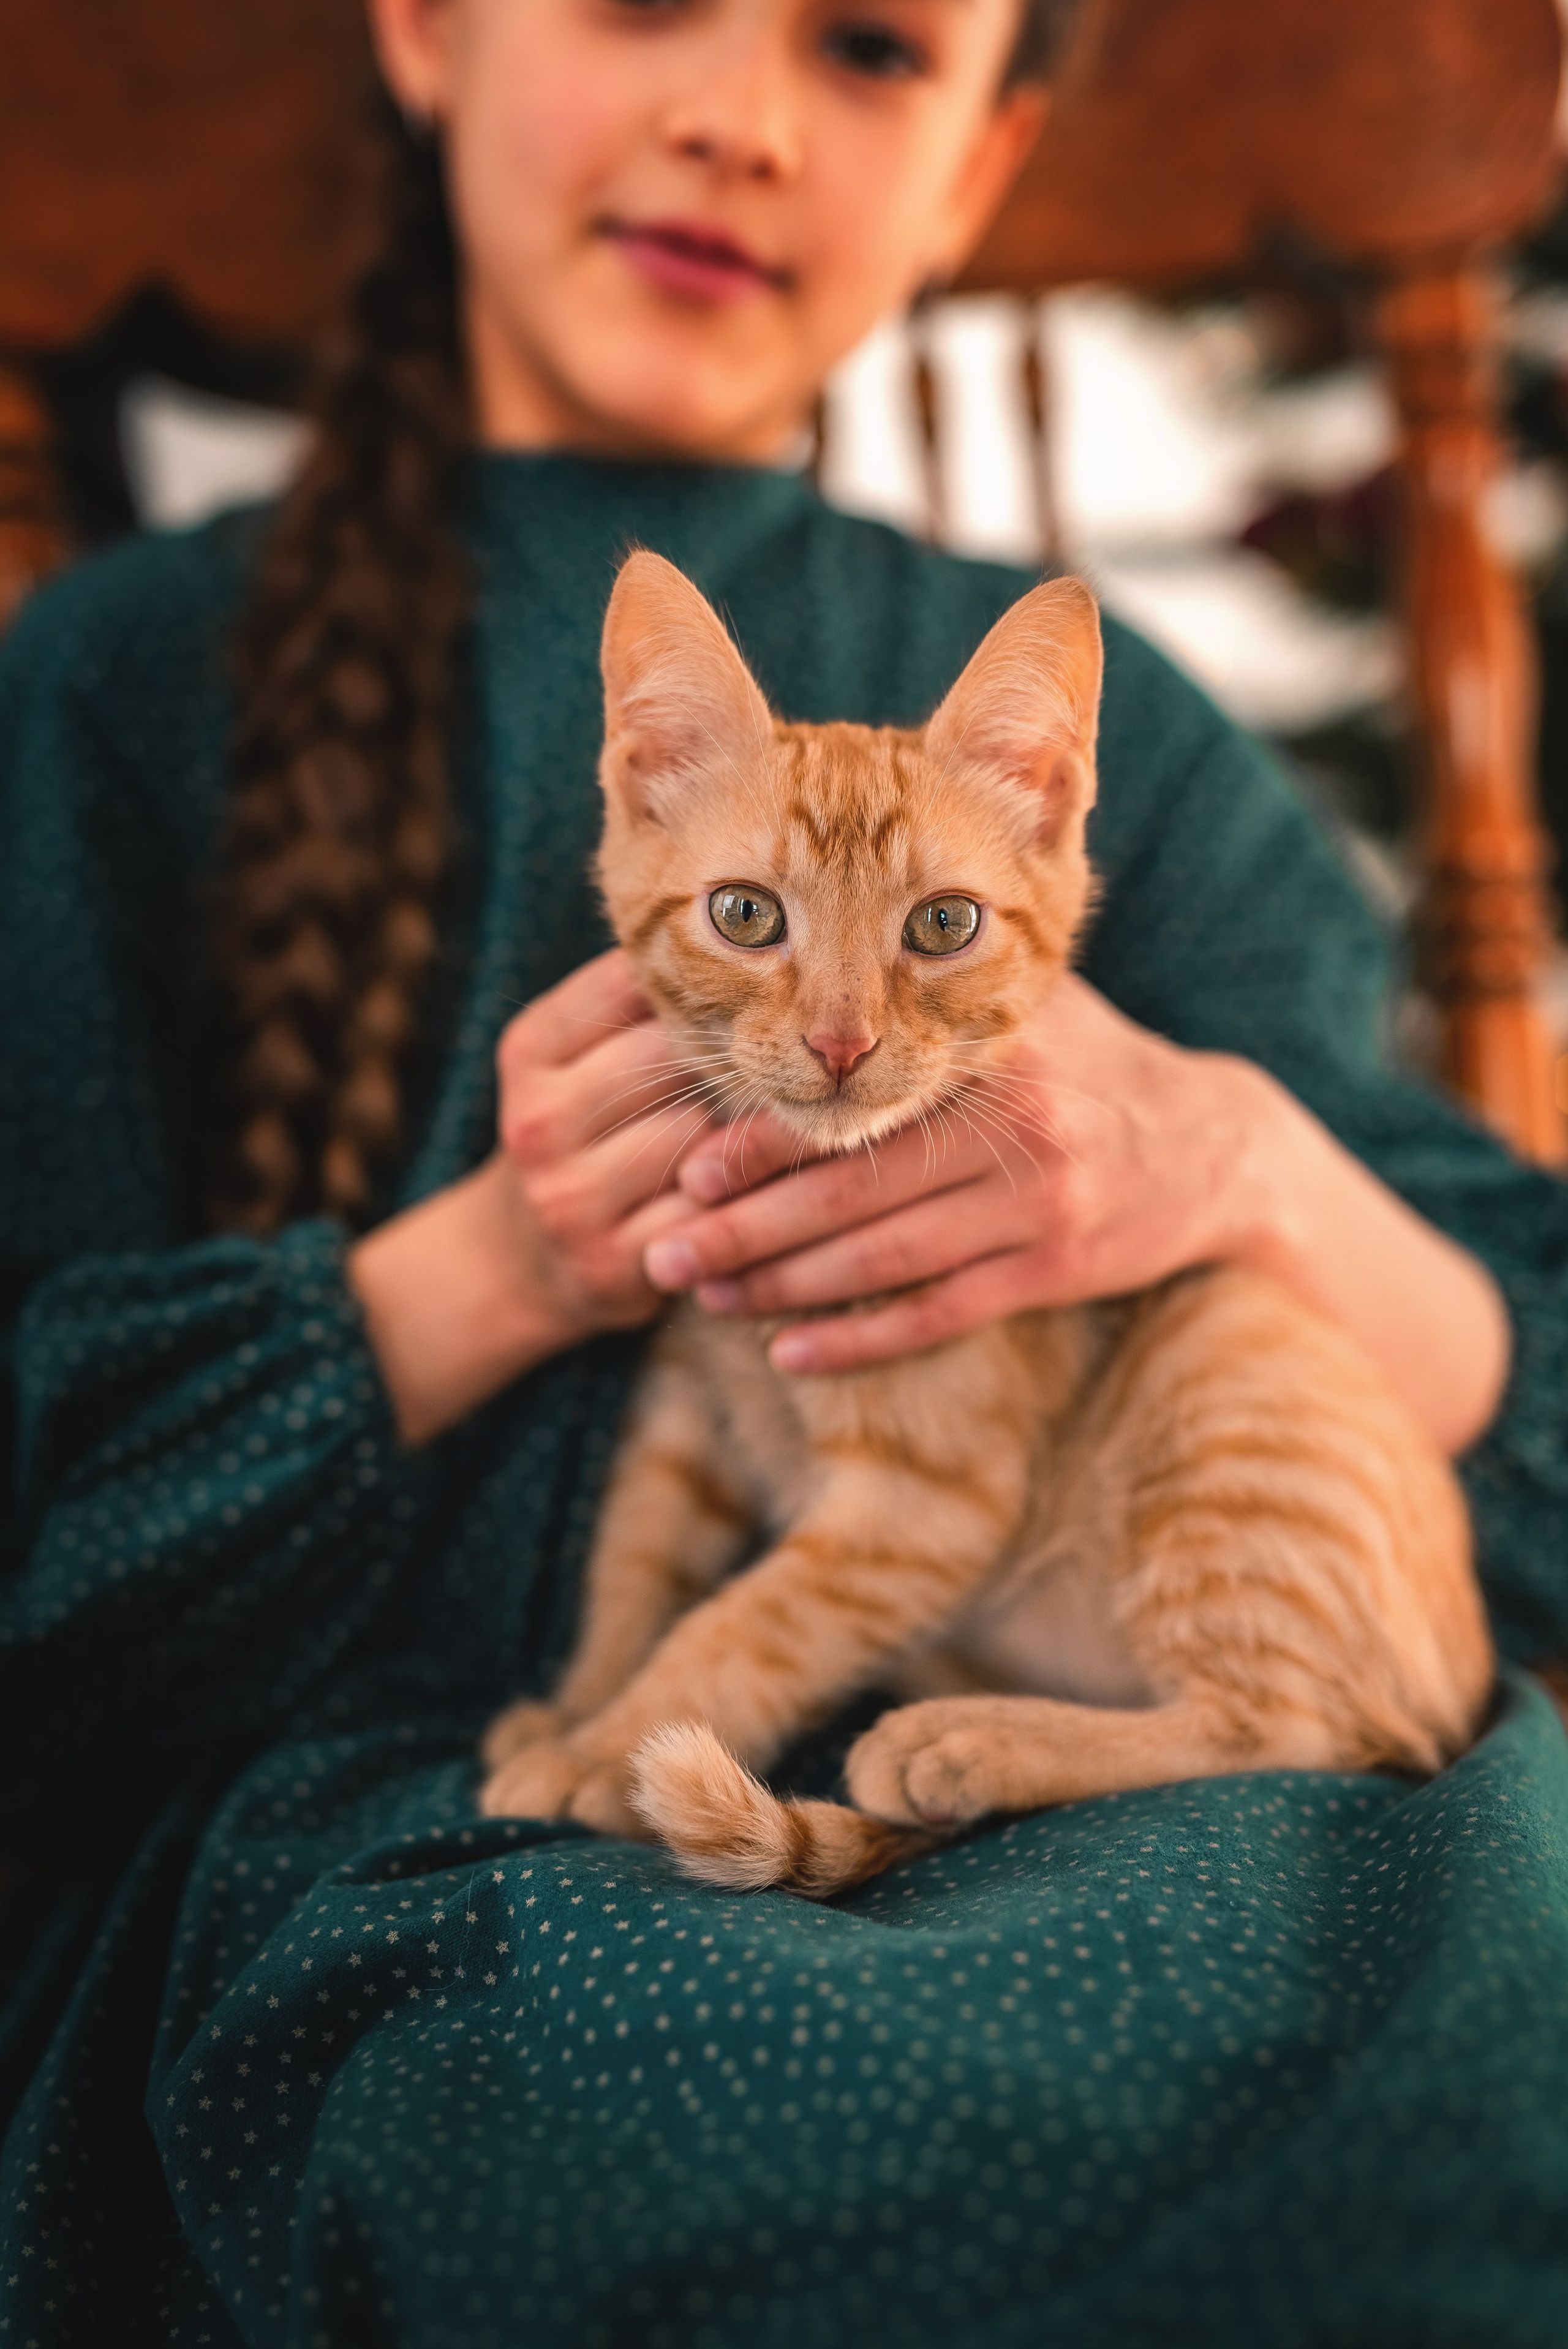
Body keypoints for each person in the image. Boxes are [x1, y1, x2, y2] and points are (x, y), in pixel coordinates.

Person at [1, 0, 1565, 2338]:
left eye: (867, 50)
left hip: (1168, 1734)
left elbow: (1526, 1399)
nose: (735, 114)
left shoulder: (1070, 728)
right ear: (425, 29)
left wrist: (1250, 1160)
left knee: (1466, 2090)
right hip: (428, 1819)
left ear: (979, 161)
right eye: (641, 1)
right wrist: (506, 1261)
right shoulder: (122, 683)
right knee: (765, 2171)